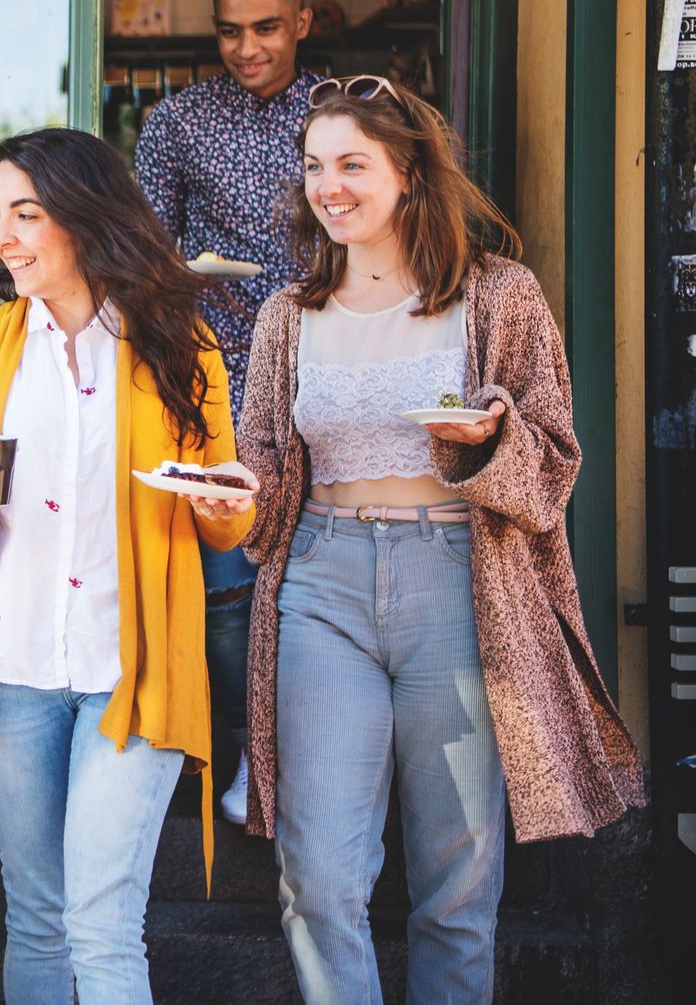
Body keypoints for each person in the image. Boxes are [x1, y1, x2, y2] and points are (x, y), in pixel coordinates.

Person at [236, 76, 645, 1001]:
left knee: (457, 884)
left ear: (410, 174)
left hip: (459, 583)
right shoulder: (286, 317)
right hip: (320, 583)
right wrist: (226, 498)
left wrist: (490, 439)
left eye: (352, 164)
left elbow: (553, 464)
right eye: (314, 167)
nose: (328, 186)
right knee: (320, 878)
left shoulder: (500, 298)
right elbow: (261, 479)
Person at [0, 128, 254, 1003]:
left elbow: (224, 518)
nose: (5, 238)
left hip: (132, 675)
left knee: (101, 926)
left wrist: (227, 503)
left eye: (27, 213)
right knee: (38, 917)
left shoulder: (178, 344)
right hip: (11, 675)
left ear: (86, 219)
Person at [135, 0, 322, 825]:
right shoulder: (175, 123)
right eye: (230, 32)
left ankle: (316, 768)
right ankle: (242, 758)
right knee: (229, 597)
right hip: (219, 384)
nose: (247, 48)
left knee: (320, 589)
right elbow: (137, 261)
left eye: (266, 29)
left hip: (330, 381)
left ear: (303, 23)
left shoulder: (342, 115)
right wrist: (181, 273)